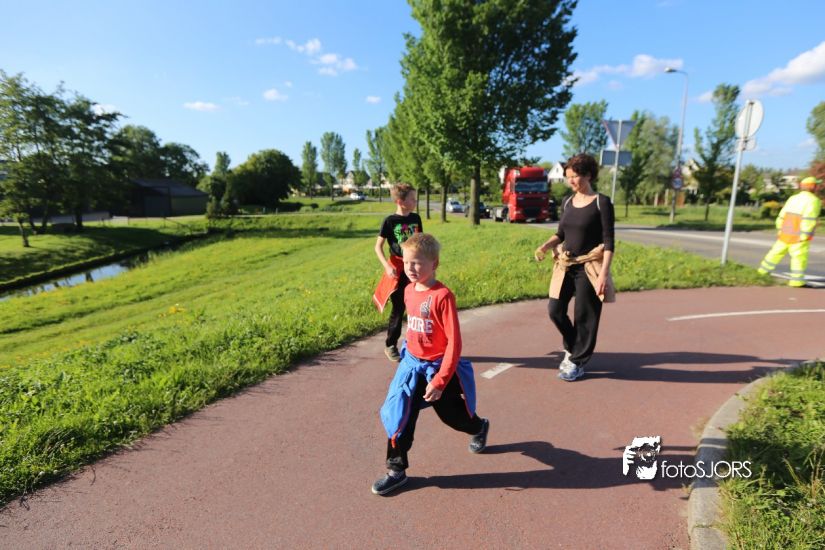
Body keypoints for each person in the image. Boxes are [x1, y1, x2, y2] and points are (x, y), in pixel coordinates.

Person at [372, 233, 489, 495]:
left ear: (434, 264)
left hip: (437, 370)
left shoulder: (443, 296)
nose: (410, 268)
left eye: (417, 263)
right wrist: (407, 352)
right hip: (412, 367)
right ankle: (396, 470)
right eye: (407, 262)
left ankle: (479, 427)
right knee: (400, 415)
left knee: (453, 417)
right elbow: (414, 328)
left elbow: (454, 344)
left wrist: (440, 380)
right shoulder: (408, 290)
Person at [534, 153, 616, 382]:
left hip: (590, 267)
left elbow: (609, 242)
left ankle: (577, 362)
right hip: (566, 264)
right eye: (568, 176)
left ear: (588, 175)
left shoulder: (601, 202)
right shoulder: (567, 202)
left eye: (574, 176)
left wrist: (603, 275)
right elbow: (561, 233)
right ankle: (573, 347)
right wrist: (546, 245)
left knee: (585, 316)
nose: (570, 181)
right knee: (555, 310)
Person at [373, 183, 423, 362]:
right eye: (412, 199)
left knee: (417, 306)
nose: (415, 201)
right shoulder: (390, 221)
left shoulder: (416, 218)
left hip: (415, 268)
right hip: (398, 269)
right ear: (400, 202)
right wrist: (387, 267)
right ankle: (391, 345)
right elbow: (377, 247)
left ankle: (417, 344)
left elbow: (420, 242)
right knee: (399, 307)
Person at [758, 176, 822, 287]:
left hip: (786, 231)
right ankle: (797, 281)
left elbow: (782, 214)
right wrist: (804, 235)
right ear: (813, 187)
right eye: (816, 185)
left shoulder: (793, 198)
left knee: (775, 252)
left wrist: (780, 229)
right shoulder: (813, 200)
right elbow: (809, 219)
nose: (818, 187)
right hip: (799, 234)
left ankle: (762, 272)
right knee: (799, 257)